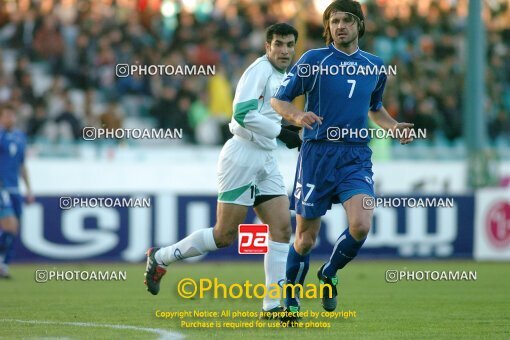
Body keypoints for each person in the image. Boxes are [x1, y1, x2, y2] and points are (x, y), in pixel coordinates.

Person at [144, 23, 302, 315]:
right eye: (278, 44)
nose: (284, 50)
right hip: (242, 155)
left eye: (289, 45)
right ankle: (161, 257)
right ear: (268, 46)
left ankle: (271, 304)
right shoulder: (259, 70)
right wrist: (281, 132)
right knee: (224, 235)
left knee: (281, 228)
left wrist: (290, 128)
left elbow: (267, 114)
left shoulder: (285, 75)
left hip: (266, 158)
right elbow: (242, 113)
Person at [271, 0, 414, 320]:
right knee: (305, 239)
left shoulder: (375, 66)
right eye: (334, 21)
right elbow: (278, 99)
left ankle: (329, 273)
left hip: (355, 155)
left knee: (361, 225)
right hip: (317, 155)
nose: (340, 26)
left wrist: (395, 127)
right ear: (328, 27)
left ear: (359, 25)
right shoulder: (313, 60)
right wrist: (296, 114)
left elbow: (375, 108)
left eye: (347, 20)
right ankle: (291, 297)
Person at [0, 104, 35, 278]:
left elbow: (22, 165)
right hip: (1, 187)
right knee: (10, 225)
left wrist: (29, 189)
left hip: (15, 188)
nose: (10, 119)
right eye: (6, 115)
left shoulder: (20, 137)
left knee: (14, 229)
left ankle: (3, 265)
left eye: (12, 115)